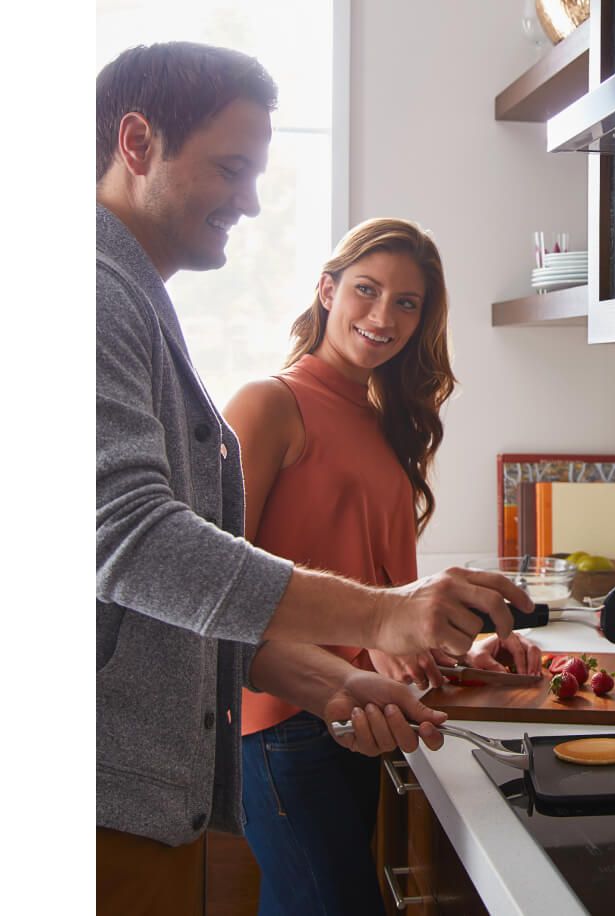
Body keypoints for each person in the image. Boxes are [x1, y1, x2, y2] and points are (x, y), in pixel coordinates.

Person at [95, 42, 533, 916]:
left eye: (408, 303)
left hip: (156, 782)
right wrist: (384, 615)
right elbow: (135, 542)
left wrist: (342, 678)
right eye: (232, 167)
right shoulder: (95, 293)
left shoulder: (135, 298)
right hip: (126, 779)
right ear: (136, 142)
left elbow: (195, 594)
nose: (253, 201)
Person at [223, 217, 543, 914]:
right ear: (326, 292)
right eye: (366, 291)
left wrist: (471, 651)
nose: (383, 316)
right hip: (280, 717)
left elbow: (384, 601)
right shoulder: (268, 404)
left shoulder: (381, 423)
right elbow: (218, 585)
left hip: (361, 713)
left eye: (407, 303)